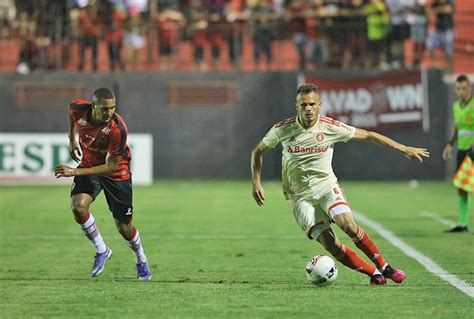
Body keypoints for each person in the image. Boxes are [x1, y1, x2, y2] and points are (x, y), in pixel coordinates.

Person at [251, 83, 429, 285]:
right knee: (330, 244)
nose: (308, 108)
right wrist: (256, 181)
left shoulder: (330, 126)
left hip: (326, 187)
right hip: (300, 198)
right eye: (303, 105)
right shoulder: (282, 129)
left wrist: (403, 148)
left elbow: (369, 135)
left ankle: (385, 267)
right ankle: (373, 274)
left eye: (312, 104)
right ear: (296, 106)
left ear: (319, 105)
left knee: (348, 225)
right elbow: (257, 152)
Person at [54, 88, 152, 280]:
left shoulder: (118, 128)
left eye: (113, 108)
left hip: (116, 174)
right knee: (78, 207)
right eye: (105, 108)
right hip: (89, 166)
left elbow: (110, 167)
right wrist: (71, 138)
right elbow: (70, 110)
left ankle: (140, 258)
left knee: (124, 228)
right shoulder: (79, 109)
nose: (109, 112)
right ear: (94, 106)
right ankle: (102, 250)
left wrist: (74, 171)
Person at [442, 75, 473, 233]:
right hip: (462, 150)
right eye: (458, 88)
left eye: (463, 88)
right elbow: (457, 128)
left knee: (468, 185)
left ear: (469, 88)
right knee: (461, 187)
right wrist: (450, 144)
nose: (460, 91)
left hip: (472, 152)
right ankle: (463, 223)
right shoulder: (456, 106)